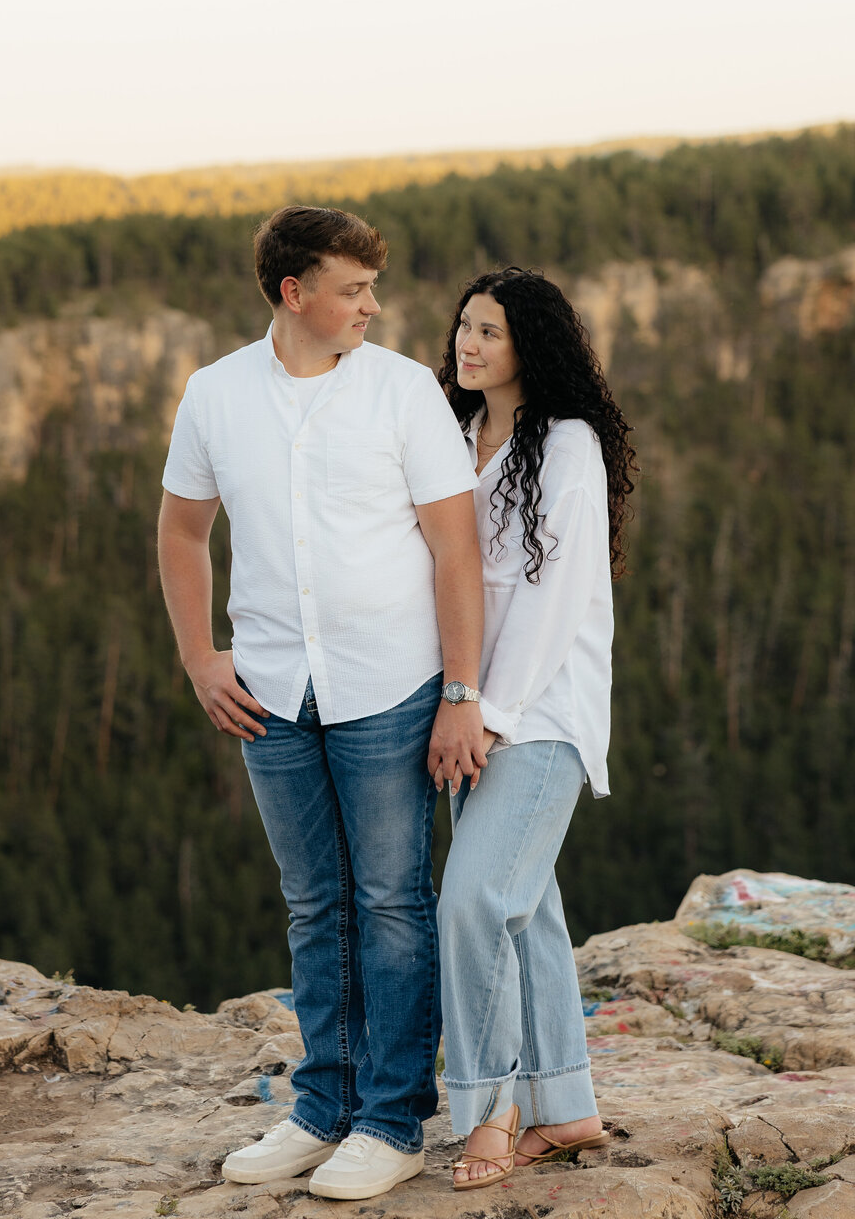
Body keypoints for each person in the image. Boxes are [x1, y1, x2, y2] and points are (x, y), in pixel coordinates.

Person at [157, 206, 488, 1202]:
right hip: (269, 691)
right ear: (293, 292)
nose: (371, 308)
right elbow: (181, 534)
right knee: (315, 903)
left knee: (390, 903)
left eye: (371, 289)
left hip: (391, 687)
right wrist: (199, 660)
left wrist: (462, 693)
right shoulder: (216, 395)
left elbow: (457, 550)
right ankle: (322, 1107)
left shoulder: (402, 394)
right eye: (352, 290)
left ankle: (392, 1122)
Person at [432, 267, 636, 1190]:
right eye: (465, 328)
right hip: (466, 705)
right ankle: (568, 1106)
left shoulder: (567, 447)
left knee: (472, 900)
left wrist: (487, 711)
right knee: (526, 911)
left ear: (532, 347)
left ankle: (488, 1110)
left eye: (491, 333)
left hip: (537, 713)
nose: (470, 345)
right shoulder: (463, 434)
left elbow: (555, 606)